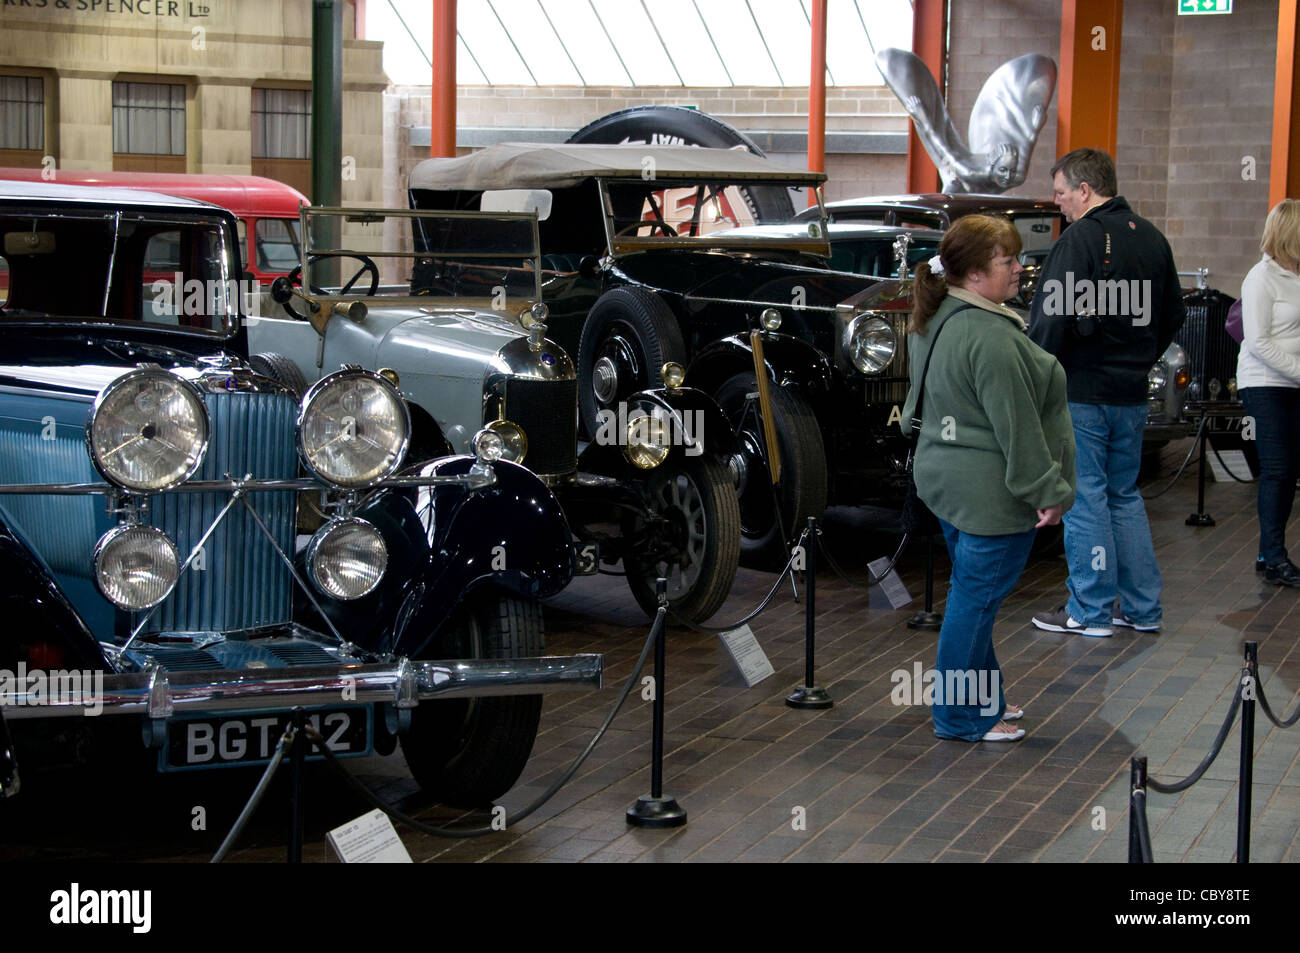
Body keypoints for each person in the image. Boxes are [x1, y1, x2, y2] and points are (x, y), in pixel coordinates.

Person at [902, 215, 1076, 742]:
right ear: (975, 273)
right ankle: (959, 717)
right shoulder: (990, 337)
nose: (1020, 269)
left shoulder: (936, 316)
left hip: (947, 484)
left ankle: (984, 701)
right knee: (972, 606)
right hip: (989, 496)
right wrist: (1048, 491)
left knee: (971, 598)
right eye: (1009, 261)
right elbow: (1017, 429)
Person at [1027, 148, 1185, 636]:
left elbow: (1051, 320)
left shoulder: (1081, 240)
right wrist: (1137, 358)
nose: (1058, 204)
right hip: (1132, 395)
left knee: (1087, 497)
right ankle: (1141, 608)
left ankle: (1090, 610)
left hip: (1085, 392)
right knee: (1124, 496)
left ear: (1084, 190)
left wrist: (1035, 378)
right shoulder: (1153, 238)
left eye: (1060, 194)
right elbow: (1174, 315)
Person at [1237, 199, 1300, 586]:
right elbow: (1258, 340)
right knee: (1276, 470)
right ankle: (1275, 558)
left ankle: (1267, 551)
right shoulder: (1261, 277)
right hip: (1264, 383)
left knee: (1289, 470)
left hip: (1293, 384)